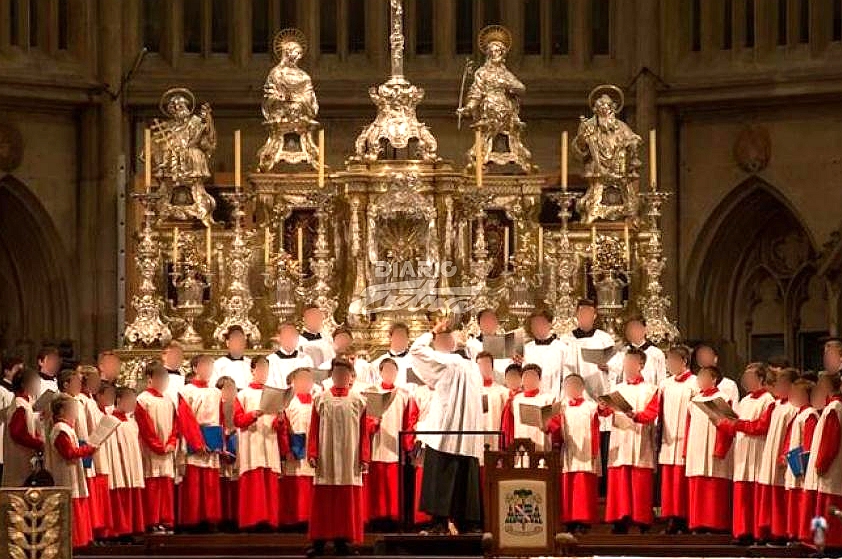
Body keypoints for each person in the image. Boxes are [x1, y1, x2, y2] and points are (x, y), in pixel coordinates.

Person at [411, 320, 484, 534]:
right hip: (447, 427)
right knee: (445, 474)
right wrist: (433, 332)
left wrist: (461, 339)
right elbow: (416, 350)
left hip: (466, 429)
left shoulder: (470, 363)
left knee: (462, 477)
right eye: (443, 339)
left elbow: (478, 350)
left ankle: (463, 522)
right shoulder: (447, 360)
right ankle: (441, 523)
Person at [306, 357, 370, 557]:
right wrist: (313, 452)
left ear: (350, 377)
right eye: (337, 374)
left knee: (346, 501)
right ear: (332, 376)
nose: (340, 377)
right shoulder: (321, 398)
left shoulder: (359, 400)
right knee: (324, 501)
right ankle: (319, 542)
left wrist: (364, 456)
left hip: (349, 456)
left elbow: (364, 431)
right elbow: (314, 428)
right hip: (326, 456)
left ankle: (343, 541)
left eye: (345, 374)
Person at [598, 348, 659, 533]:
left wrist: (636, 415)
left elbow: (653, 412)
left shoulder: (651, 389)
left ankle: (642, 520)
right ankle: (619, 519)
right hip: (620, 437)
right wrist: (602, 407)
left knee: (640, 480)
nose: (627, 366)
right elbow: (607, 411)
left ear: (640, 365)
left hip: (639, 437)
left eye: (631, 362)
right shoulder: (617, 389)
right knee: (619, 480)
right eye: (625, 363)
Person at [716, 362, 776, 545]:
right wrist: (721, 422)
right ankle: (742, 531)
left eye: (750, 378)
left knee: (756, 494)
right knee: (743, 494)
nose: (746, 381)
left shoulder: (768, 400)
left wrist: (736, 425)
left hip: (758, 449)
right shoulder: (745, 400)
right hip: (743, 450)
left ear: (760, 379)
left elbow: (761, 426)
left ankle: (758, 533)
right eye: (745, 378)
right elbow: (737, 423)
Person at [234, 356, 283, 530]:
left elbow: (276, 423)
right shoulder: (243, 394)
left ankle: (270, 519)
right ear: (253, 370)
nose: (263, 373)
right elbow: (237, 420)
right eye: (260, 369)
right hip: (252, 442)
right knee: (254, 479)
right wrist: (252, 415)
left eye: (266, 369)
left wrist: (280, 419)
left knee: (269, 478)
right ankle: (252, 520)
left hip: (269, 440)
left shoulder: (273, 394)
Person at [367, 358, 418, 526]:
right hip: (376, 443)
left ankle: (394, 517)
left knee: (393, 484)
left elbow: (407, 421)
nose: (389, 373)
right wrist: (372, 423)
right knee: (377, 484)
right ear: (380, 372)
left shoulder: (403, 394)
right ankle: (376, 516)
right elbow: (364, 419)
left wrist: (407, 445)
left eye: (392, 370)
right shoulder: (371, 392)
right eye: (386, 370)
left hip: (395, 445)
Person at [546, 374, 600, 533]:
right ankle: (569, 520)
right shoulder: (561, 407)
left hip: (586, 451)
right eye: (569, 386)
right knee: (568, 486)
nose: (572, 389)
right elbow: (554, 426)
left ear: (582, 388)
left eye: (576, 386)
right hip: (568, 451)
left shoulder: (591, 407)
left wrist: (594, 450)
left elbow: (597, 425)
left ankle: (584, 521)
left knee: (583, 487)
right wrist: (546, 426)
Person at [685, 366, 734, 533]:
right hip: (696, 448)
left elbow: (729, 425)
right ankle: (697, 522)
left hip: (713, 448)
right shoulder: (694, 400)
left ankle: (715, 524)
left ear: (714, 379)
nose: (700, 380)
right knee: (698, 484)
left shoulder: (722, 398)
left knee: (714, 486)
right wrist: (686, 450)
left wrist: (721, 449)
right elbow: (688, 425)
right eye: (699, 377)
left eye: (704, 376)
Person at [45, 394, 98, 548]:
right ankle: (73, 542)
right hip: (65, 474)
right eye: (72, 408)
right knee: (71, 506)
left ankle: (81, 541)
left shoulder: (66, 427)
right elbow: (68, 452)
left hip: (73, 472)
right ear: (62, 410)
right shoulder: (60, 429)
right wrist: (88, 449)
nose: (75, 411)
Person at [178, 354, 223, 529]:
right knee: (194, 484)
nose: (208, 370)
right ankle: (192, 521)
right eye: (204, 366)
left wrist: (220, 443)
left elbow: (219, 419)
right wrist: (197, 443)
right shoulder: (186, 391)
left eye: (210, 367)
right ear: (195, 368)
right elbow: (186, 419)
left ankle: (210, 519)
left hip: (212, 438)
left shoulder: (215, 392)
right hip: (195, 438)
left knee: (210, 484)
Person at [134, 361, 179, 534]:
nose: (162, 381)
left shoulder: (168, 399)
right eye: (159, 377)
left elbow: (175, 424)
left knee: (165, 485)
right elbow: (145, 427)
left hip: (167, 448)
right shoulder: (143, 400)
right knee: (153, 486)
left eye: (164, 378)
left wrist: (172, 442)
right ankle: (152, 520)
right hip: (151, 450)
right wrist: (159, 446)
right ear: (149, 379)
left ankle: (166, 520)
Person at [658, 345, 698, 534]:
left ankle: (685, 518)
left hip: (687, 438)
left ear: (684, 362)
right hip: (668, 438)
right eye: (668, 361)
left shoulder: (695, 384)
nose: (670, 364)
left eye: (673, 360)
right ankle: (671, 517)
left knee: (682, 481)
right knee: (669, 481)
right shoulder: (665, 384)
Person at [756, 367, 799, 544]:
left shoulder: (792, 408)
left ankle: (781, 533)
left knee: (780, 497)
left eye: (782, 383)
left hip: (781, 456)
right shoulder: (777, 404)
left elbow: (792, 435)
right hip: (770, 453)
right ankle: (770, 530)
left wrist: (784, 455)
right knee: (770, 494)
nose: (778, 386)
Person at [806, 372, 842, 548]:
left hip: (830, 470)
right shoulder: (832, 407)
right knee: (820, 511)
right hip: (828, 470)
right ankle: (820, 543)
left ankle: (830, 544)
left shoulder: (834, 408)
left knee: (827, 511)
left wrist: (821, 463)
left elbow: (830, 440)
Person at [783, 378, 818, 543]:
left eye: (796, 393)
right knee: (794, 499)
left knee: (800, 501)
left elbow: (809, 442)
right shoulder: (799, 413)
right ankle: (794, 533)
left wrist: (803, 465)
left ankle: (802, 535)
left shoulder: (810, 414)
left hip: (801, 465)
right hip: (793, 462)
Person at [280, 367, 316, 527]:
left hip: (312, 448)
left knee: (311, 484)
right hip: (294, 448)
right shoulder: (288, 403)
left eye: (308, 380)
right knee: (295, 485)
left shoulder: (317, 401)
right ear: (293, 382)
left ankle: (310, 518)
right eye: (301, 379)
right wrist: (286, 449)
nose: (305, 383)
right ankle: (294, 519)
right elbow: (283, 427)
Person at [110, 387, 146, 538]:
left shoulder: (131, 421)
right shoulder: (112, 421)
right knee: (122, 497)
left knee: (133, 494)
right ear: (119, 400)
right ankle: (121, 530)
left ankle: (133, 527)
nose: (133, 404)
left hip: (133, 463)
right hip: (120, 464)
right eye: (130, 400)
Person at [1, 368, 44, 487]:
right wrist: (38, 443)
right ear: (25, 384)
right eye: (35, 382)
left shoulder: (25, 403)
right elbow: (18, 433)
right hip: (19, 458)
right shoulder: (20, 405)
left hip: (25, 456)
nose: (37, 386)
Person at [504, 363, 555, 451]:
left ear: (539, 380)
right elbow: (509, 425)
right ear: (522, 380)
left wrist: (547, 427)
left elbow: (554, 424)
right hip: (520, 443)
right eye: (526, 376)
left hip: (541, 442)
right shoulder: (515, 400)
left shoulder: (548, 399)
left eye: (533, 376)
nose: (529, 379)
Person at [522, 309, 570, 400]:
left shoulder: (561, 348)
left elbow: (567, 377)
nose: (538, 327)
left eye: (541, 323)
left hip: (554, 399)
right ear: (531, 328)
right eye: (535, 324)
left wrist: (563, 400)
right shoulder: (526, 349)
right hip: (530, 400)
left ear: (549, 325)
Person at [608, 316, 667, 387]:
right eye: (630, 328)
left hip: (648, 392)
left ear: (645, 330)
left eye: (637, 328)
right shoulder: (622, 353)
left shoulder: (656, 353)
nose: (633, 331)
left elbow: (661, 378)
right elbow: (615, 375)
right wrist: (608, 368)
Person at [477, 351, 508, 454]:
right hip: (477, 433)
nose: (484, 367)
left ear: (492, 366)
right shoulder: (472, 390)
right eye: (480, 364)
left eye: (487, 364)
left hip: (495, 433)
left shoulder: (502, 391)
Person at [267, 322, 314, 388]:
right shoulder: (271, 360)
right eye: (286, 335)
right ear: (279, 338)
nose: (290, 339)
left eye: (293, 335)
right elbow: (270, 385)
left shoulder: (306, 359)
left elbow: (311, 381)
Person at [465, 309, 512, 373]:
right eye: (485, 320)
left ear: (497, 323)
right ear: (479, 324)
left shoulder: (507, 343)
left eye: (492, 320)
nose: (489, 323)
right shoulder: (471, 344)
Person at [0, 356, 22, 485]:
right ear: (7, 371)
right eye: (17, 370)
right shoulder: (1, 390)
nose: (20, 374)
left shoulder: (16, 391)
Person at [369, 322, 413, 387]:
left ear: (407, 339)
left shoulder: (414, 361)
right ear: (390, 337)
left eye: (402, 336)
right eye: (397, 335)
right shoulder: (379, 362)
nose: (400, 339)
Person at [212, 325, 252, 390]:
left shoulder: (250, 364)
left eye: (240, 340)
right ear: (227, 343)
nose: (238, 344)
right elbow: (214, 388)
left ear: (244, 343)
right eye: (234, 340)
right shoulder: (218, 364)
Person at [499, 363, 523, 450]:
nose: (512, 381)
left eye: (515, 377)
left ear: (521, 379)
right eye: (509, 378)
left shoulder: (523, 398)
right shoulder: (503, 394)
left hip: (518, 434)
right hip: (505, 433)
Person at [160, 341, 186, 406]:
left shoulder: (185, 376)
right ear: (164, 356)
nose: (177, 357)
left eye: (179, 355)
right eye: (173, 354)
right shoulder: (156, 375)